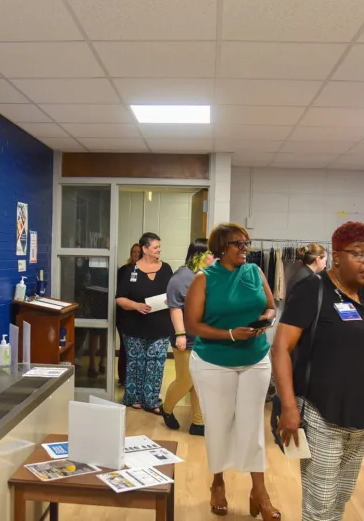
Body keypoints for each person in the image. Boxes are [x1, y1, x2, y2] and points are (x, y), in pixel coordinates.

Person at [272, 221, 364, 521]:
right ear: (337, 256)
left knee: (342, 494)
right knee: (321, 499)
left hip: (361, 411)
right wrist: (288, 407)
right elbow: (280, 350)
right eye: (359, 254)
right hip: (321, 410)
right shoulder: (312, 289)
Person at [185, 222, 281, 519]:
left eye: (246, 243)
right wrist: (229, 334)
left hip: (255, 358)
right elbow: (193, 325)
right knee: (219, 424)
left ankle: (259, 491)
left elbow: (270, 304)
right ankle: (217, 483)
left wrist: (265, 318)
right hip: (213, 361)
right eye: (238, 244)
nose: (245, 249)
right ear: (221, 247)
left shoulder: (255, 272)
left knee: (252, 425)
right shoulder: (204, 279)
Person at [160, 238, 214, 436]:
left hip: (204, 339)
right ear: (199, 255)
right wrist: (180, 334)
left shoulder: (207, 275)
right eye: (211, 254)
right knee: (186, 380)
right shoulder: (181, 277)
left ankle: (198, 423)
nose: (214, 258)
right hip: (186, 339)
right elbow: (175, 308)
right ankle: (166, 409)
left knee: (201, 381)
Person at [116, 233, 173, 414]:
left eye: (159, 247)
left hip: (160, 326)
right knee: (136, 363)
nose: (159, 250)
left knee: (156, 365)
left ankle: (152, 400)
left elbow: (173, 292)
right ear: (145, 249)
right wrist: (136, 306)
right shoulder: (130, 271)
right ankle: (134, 398)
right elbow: (120, 299)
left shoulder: (166, 269)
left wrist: (170, 299)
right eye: (155, 247)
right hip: (134, 326)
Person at [116, 243, 141, 386]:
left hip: (138, 315)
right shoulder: (124, 270)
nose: (136, 255)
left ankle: (134, 378)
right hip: (123, 316)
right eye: (134, 252)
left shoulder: (145, 271)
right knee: (125, 346)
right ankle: (123, 377)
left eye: (138, 252)